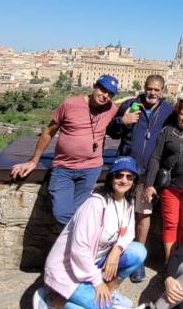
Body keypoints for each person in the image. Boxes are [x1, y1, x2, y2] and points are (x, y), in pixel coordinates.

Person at [30, 156, 148, 309]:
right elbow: (79, 249)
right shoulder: (95, 204)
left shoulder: (127, 202)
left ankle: (109, 292)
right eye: (119, 175)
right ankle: (50, 299)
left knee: (138, 252)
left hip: (96, 261)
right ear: (111, 178)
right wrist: (97, 282)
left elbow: (129, 231)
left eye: (129, 177)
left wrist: (116, 250)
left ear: (133, 181)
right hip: (70, 268)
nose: (124, 180)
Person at [11, 75, 119, 226]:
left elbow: (120, 126)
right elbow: (49, 132)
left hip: (91, 168)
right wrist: (34, 161)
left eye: (110, 93)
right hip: (63, 167)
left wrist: (126, 120)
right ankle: (86, 238)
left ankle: (77, 240)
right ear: (95, 86)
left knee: (79, 211)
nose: (105, 95)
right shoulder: (70, 104)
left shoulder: (111, 109)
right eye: (103, 90)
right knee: (62, 213)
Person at [107, 74, 174, 282]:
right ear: (144, 88)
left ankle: (138, 260)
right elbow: (112, 131)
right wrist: (122, 121)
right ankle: (113, 256)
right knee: (118, 213)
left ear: (162, 91)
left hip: (148, 172)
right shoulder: (130, 105)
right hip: (126, 169)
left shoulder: (168, 110)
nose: (152, 92)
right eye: (149, 88)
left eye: (156, 89)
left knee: (143, 215)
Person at [143, 97, 183, 260]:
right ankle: (170, 261)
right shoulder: (167, 132)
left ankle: (182, 260)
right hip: (170, 187)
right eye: (182, 114)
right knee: (171, 224)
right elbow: (155, 158)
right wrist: (149, 184)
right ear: (177, 115)